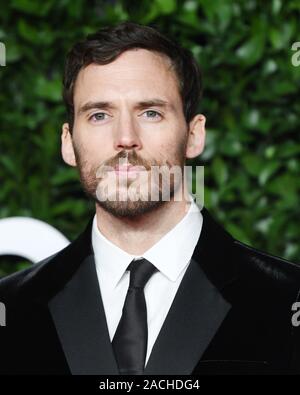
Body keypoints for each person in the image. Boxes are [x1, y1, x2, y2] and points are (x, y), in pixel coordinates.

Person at [0, 21, 300, 375]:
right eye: (99, 115)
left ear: (194, 134)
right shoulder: (11, 308)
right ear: (68, 142)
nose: (125, 138)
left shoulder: (287, 300)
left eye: (150, 113)